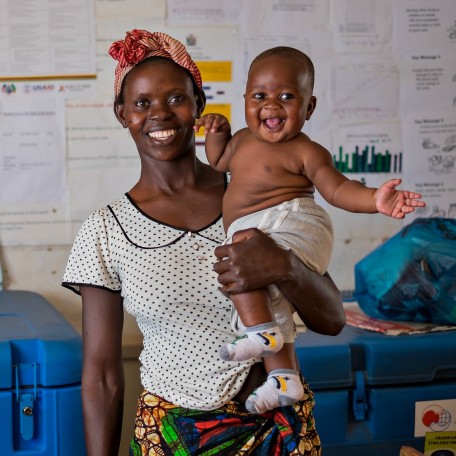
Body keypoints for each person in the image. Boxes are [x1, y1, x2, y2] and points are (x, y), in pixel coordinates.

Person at [62, 30, 345, 456]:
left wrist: (286, 266)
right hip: (173, 436)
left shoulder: (258, 197)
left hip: (276, 430)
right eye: (141, 103)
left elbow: (332, 319)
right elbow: (101, 374)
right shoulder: (105, 230)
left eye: (176, 98)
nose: (160, 115)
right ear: (122, 113)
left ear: (199, 105)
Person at [194, 46, 425, 415]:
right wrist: (217, 132)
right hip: (263, 228)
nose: (271, 105)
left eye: (286, 96)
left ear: (310, 107)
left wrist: (374, 200)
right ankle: (284, 379)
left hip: (294, 220)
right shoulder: (239, 140)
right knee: (262, 289)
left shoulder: (306, 150)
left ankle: (261, 334)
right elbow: (218, 161)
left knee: (242, 248)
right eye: (260, 96)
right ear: (245, 100)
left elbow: (335, 189)